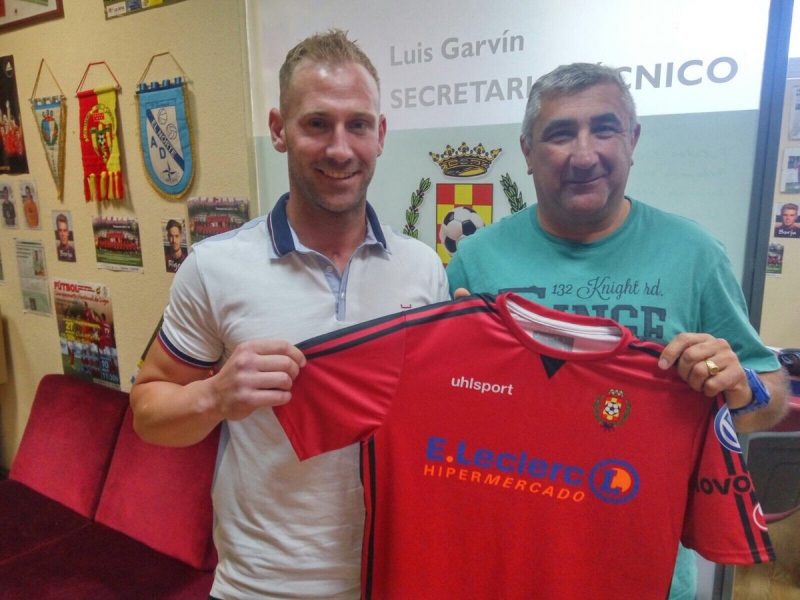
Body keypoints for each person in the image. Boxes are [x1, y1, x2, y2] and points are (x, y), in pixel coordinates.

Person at [446, 62, 789, 600]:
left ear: (632, 140)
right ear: (528, 151)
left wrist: (742, 387)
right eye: (560, 134)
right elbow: (447, 415)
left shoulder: (694, 253)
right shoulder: (474, 260)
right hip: (509, 567)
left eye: (604, 129)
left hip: (644, 575)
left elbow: (769, 400)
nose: (584, 155)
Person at [130, 29, 448, 599]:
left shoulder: (424, 270)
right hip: (263, 586)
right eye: (317, 124)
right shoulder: (214, 267)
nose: (340, 149)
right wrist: (215, 396)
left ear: (380, 134)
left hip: (400, 575)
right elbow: (147, 412)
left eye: (357, 125)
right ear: (279, 130)